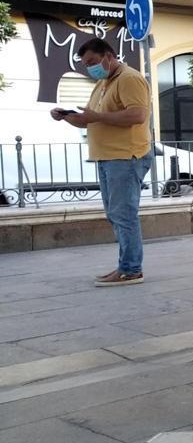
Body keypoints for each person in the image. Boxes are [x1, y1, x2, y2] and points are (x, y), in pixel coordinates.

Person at [51, 38, 152, 286]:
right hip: (107, 157)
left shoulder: (129, 78)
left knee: (124, 214)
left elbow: (138, 114)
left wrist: (97, 116)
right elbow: (88, 119)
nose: (90, 68)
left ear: (109, 56)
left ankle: (131, 269)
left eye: (93, 62)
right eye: (86, 64)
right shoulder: (104, 83)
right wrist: (65, 117)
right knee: (115, 214)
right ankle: (125, 265)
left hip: (125, 156)